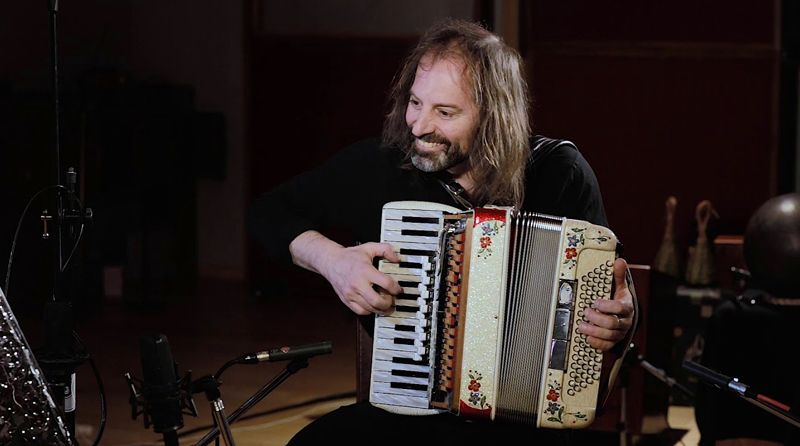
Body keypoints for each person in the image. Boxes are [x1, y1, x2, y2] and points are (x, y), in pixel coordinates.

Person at [249, 17, 635, 445]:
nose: (418, 126)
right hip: (412, 413)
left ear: (494, 116)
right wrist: (333, 261)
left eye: (445, 112)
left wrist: (618, 317)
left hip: (528, 423)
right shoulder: (380, 169)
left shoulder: (558, 174)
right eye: (415, 102)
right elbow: (269, 213)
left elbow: (609, 288)